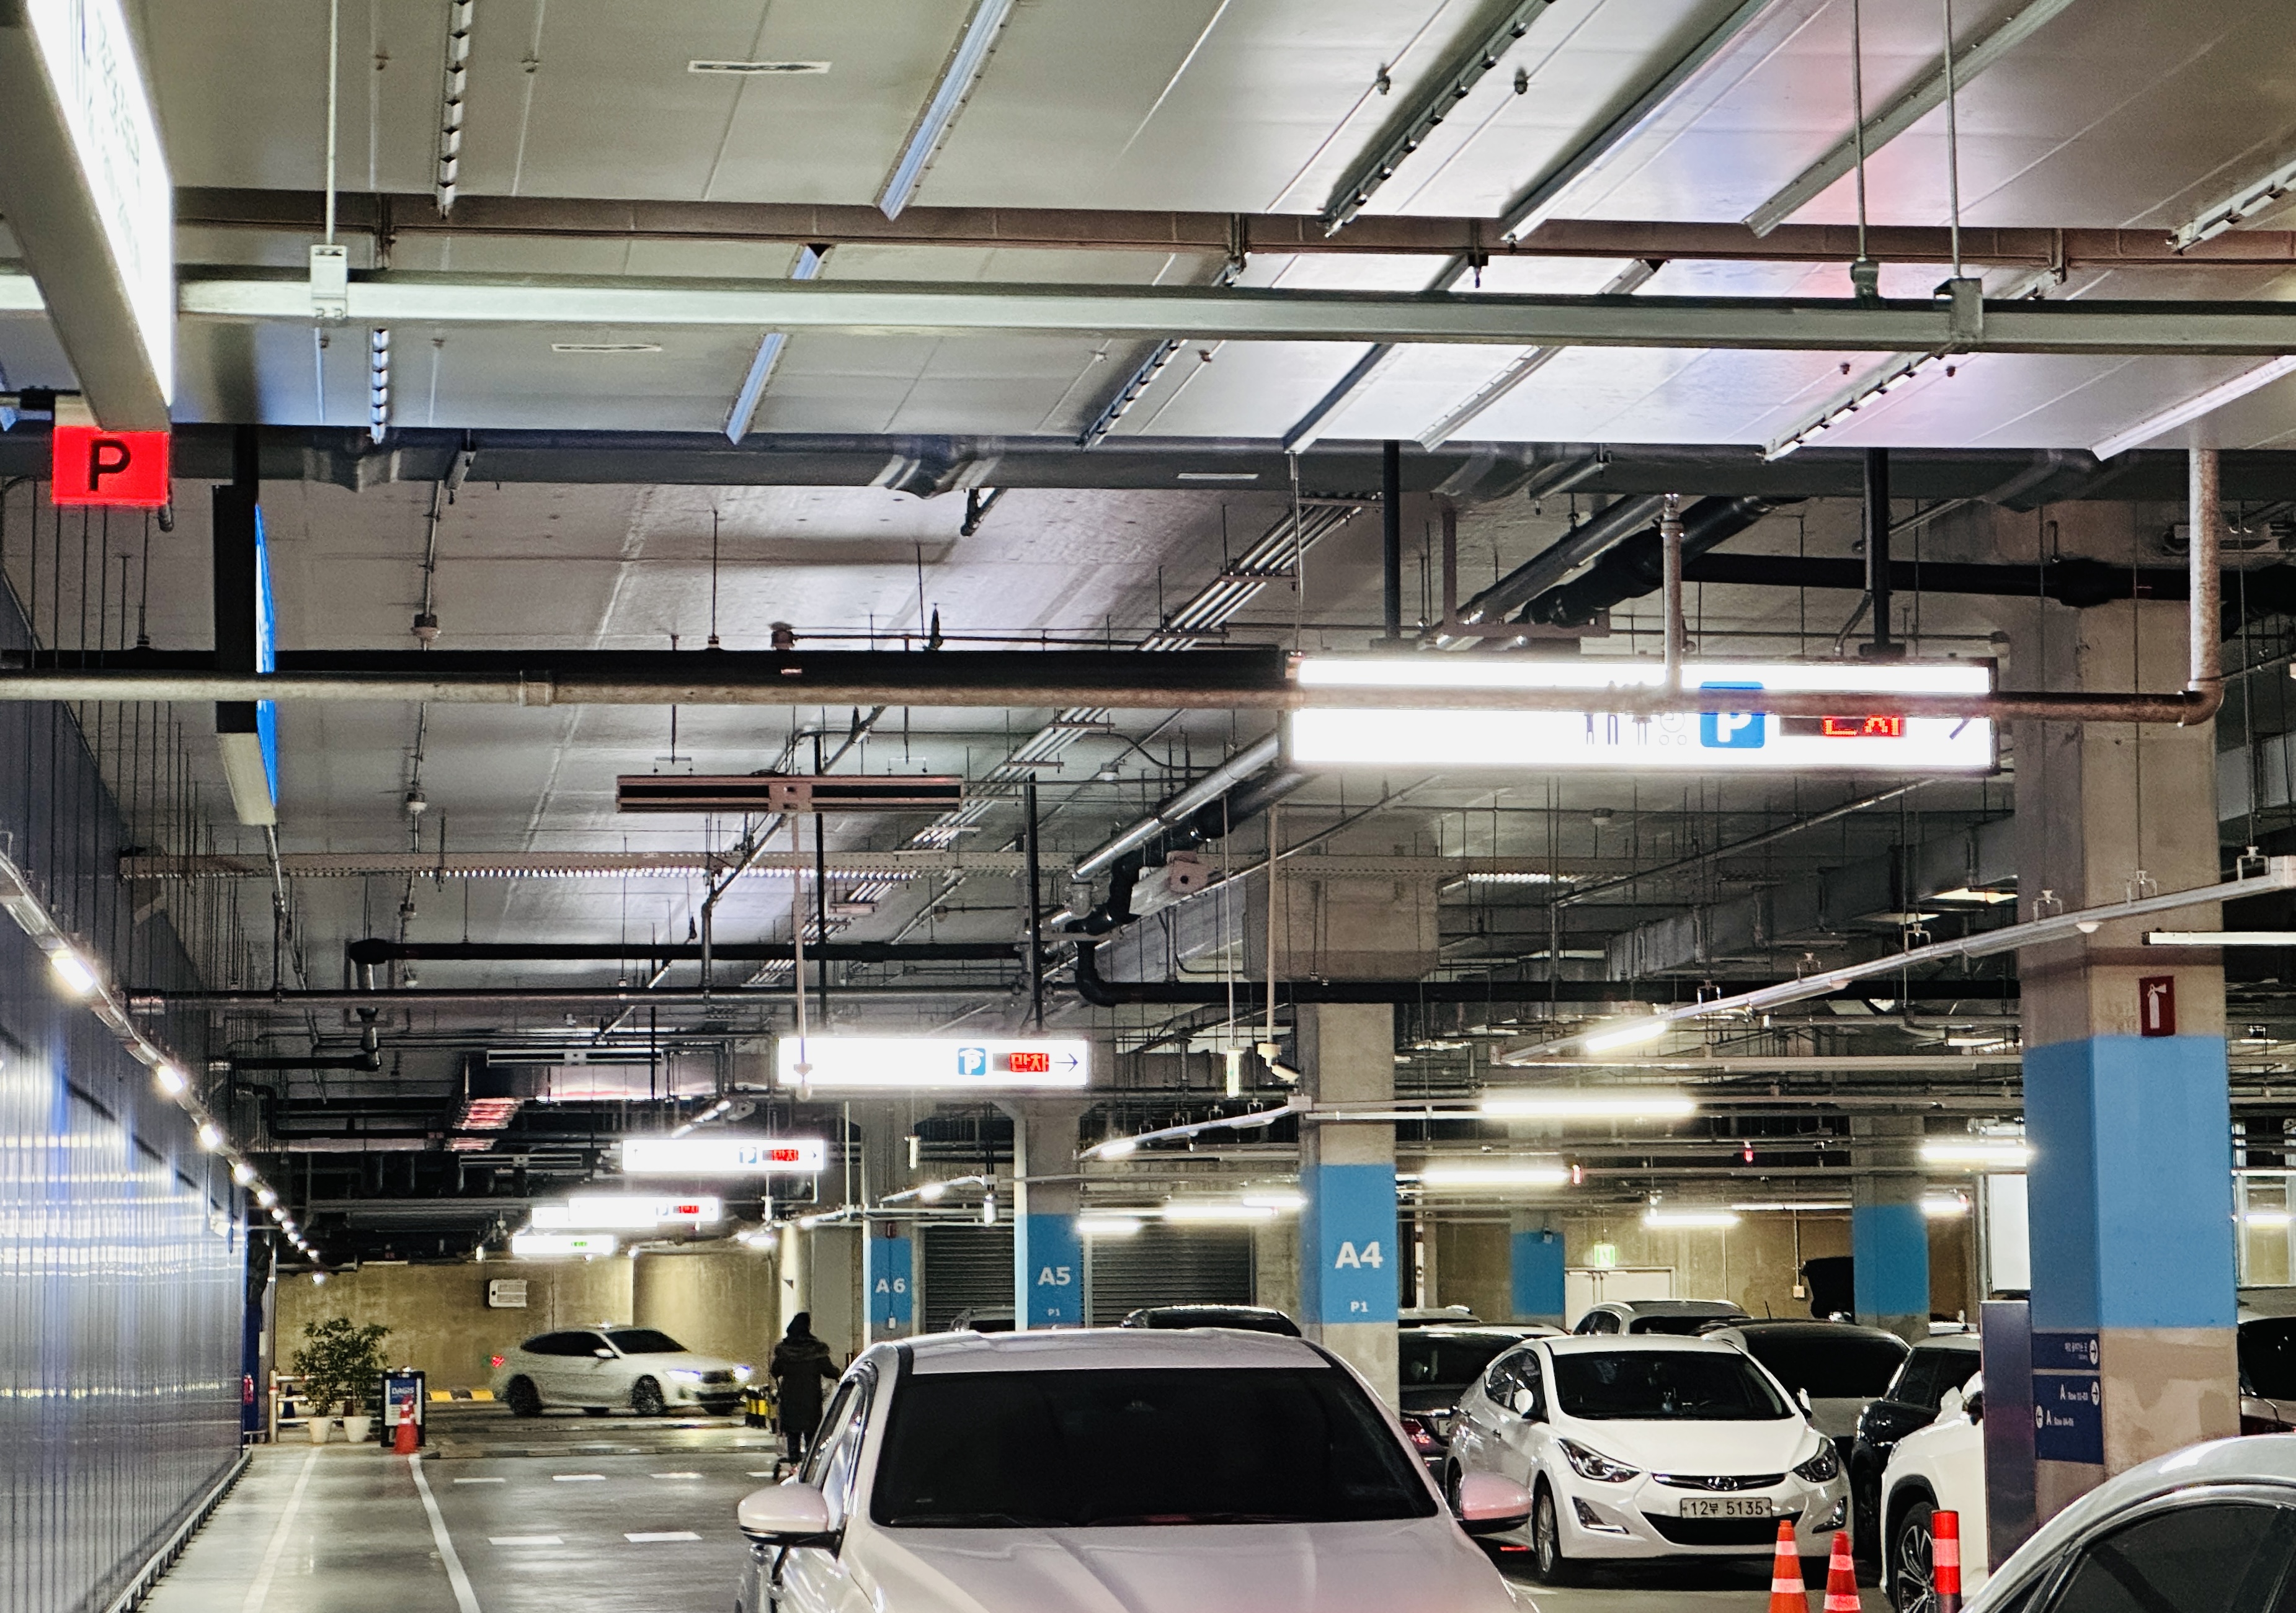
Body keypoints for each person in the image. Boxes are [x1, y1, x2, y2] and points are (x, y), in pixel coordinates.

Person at [768, 1313, 840, 1468]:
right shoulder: (816, 1350)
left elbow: (775, 1371)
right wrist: (838, 1372)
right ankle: (810, 1462)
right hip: (811, 1398)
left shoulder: (784, 1350)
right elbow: (830, 1372)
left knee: (792, 1433)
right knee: (811, 1432)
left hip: (790, 1398)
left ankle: (794, 1461)